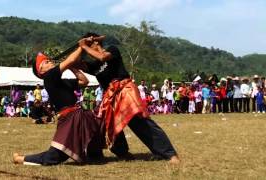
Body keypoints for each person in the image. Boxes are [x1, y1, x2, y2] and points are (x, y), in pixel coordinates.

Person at [80, 33, 180, 164]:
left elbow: (103, 56)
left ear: (96, 43)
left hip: (125, 90)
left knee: (140, 122)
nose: (88, 50)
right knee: (109, 124)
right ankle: (122, 153)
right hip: (111, 96)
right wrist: (80, 47)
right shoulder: (93, 66)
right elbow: (77, 64)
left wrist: (84, 45)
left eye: (90, 46)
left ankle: (169, 154)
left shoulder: (112, 50)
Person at [13, 45, 103, 165]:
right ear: (41, 70)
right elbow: (70, 60)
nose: (49, 61)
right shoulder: (49, 77)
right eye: (46, 62)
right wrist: (82, 46)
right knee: (54, 156)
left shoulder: (61, 81)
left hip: (77, 114)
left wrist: (72, 68)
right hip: (69, 118)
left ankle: (95, 155)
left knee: (97, 122)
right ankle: (22, 159)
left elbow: (84, 81)